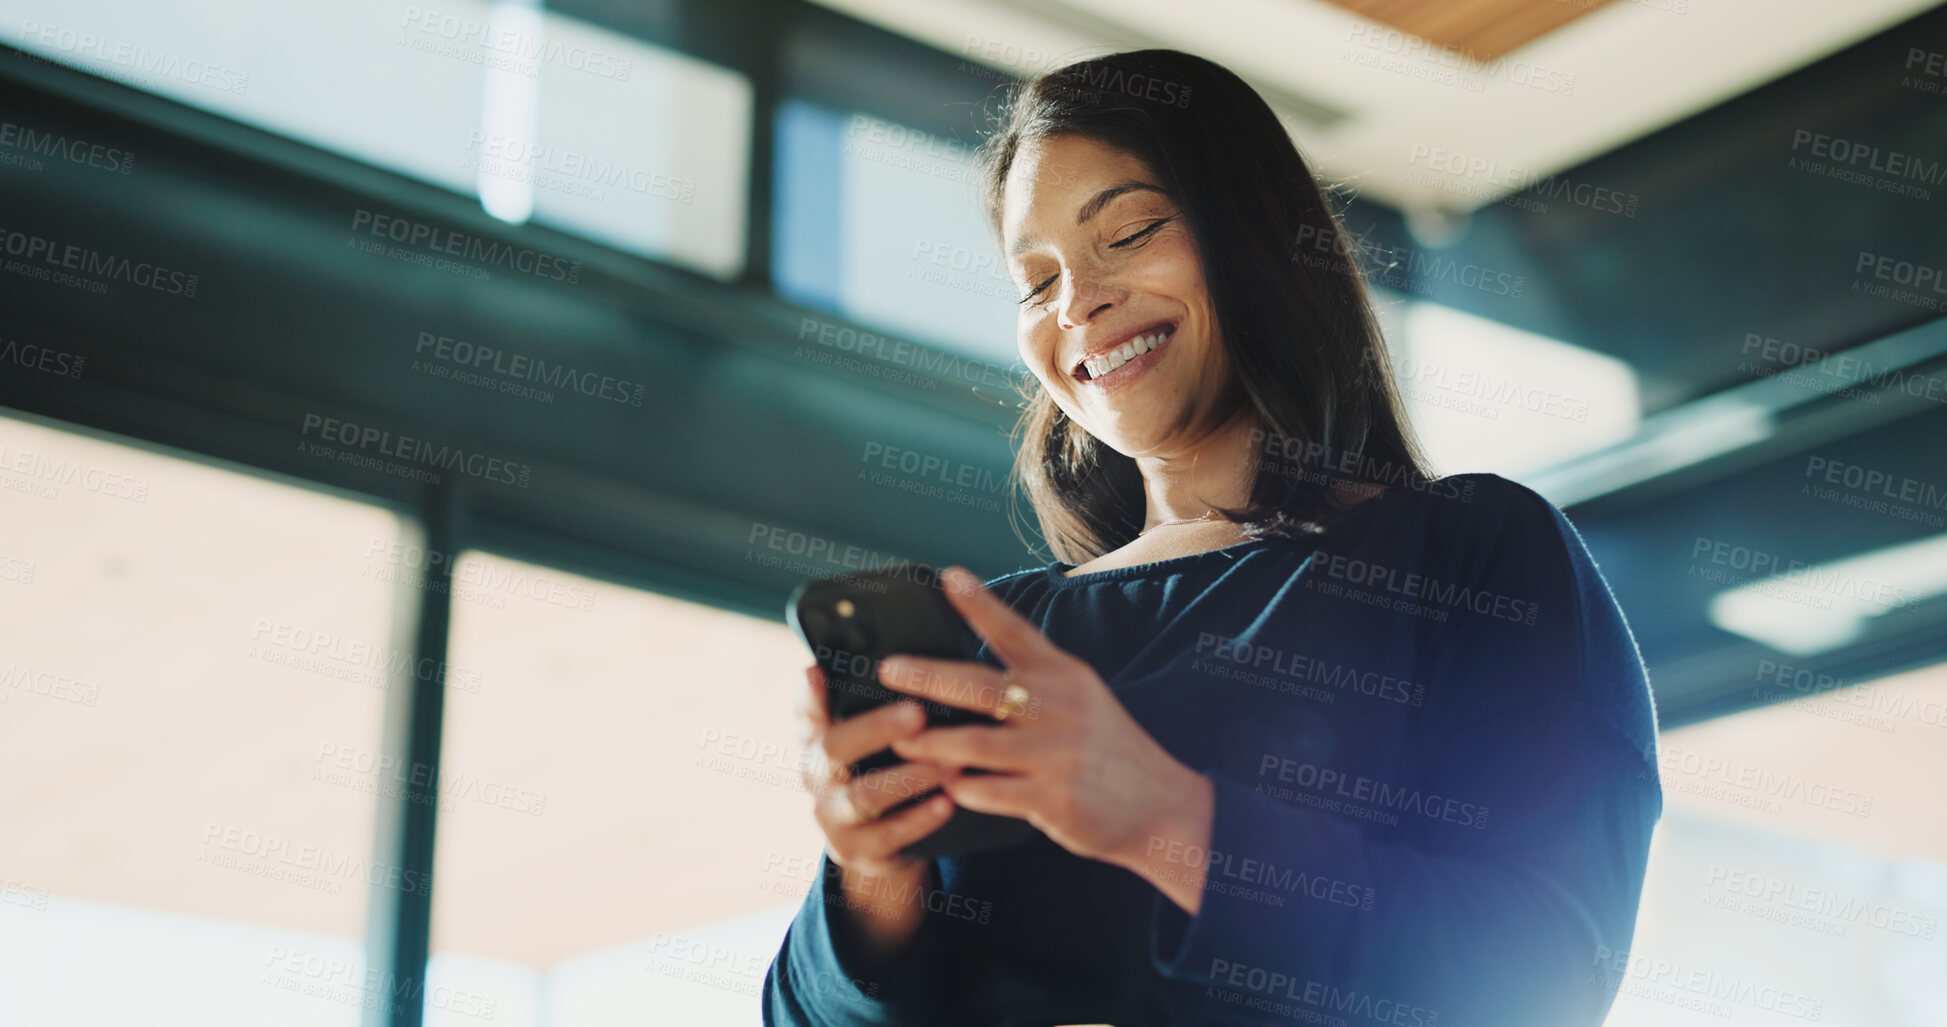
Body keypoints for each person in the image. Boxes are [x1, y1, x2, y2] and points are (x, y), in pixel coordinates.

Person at [762, 48, 1662, 1027]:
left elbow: (1546, 977)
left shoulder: (1471, 552)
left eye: (1132, 230)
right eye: (1035, 281)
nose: (1077, 303)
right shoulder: (1000, 632)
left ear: (1254, 235)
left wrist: (1164, 814)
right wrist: (869, 876)